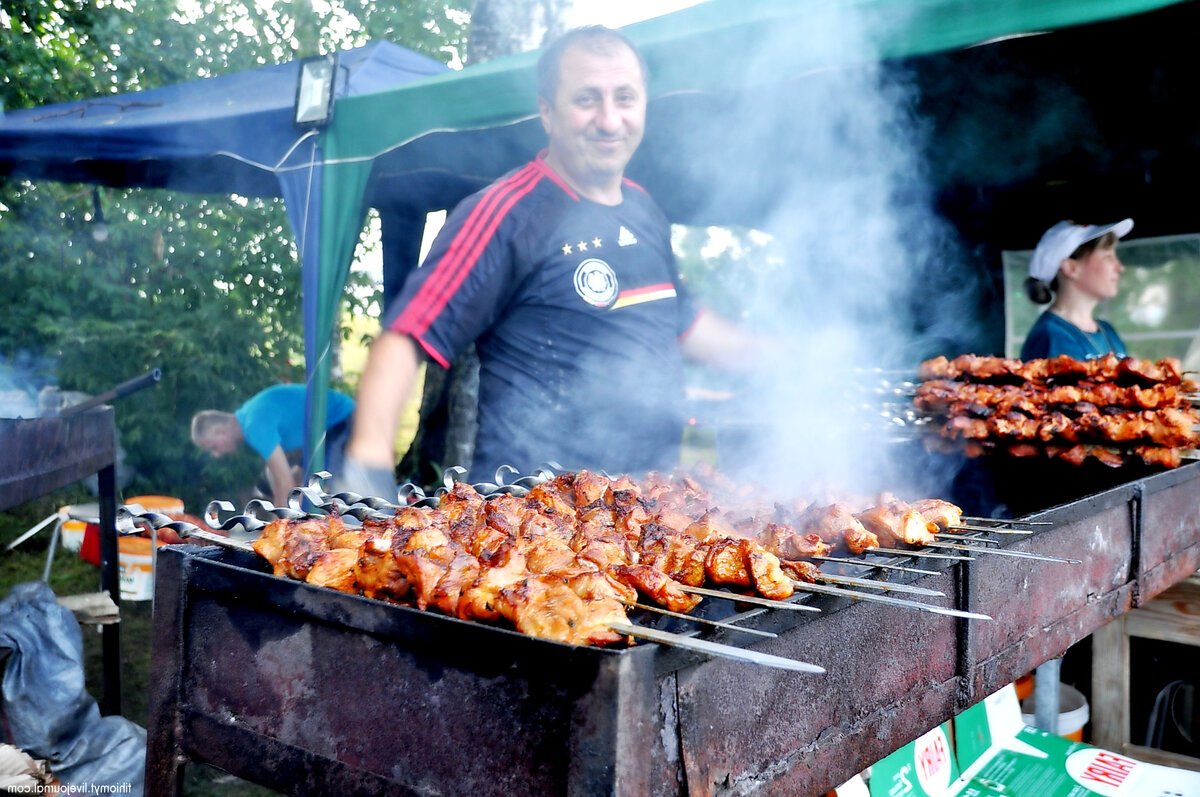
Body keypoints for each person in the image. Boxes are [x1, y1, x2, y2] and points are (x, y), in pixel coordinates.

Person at [341, 26, 760, 499]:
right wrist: (369, 472)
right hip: (533, 521)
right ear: (547, 111)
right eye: (587, 99)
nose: (609, 119)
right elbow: (405, 339)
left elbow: (686, 324)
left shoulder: (645, 211)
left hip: (649, 513)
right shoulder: (505, 213)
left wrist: (790, 364)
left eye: (625, 98)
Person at [192, 384, 355, 506]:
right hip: (325, 432)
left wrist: (276, 525)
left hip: (343, 422)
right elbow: (285, 478)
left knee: (332, 497)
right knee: (298, 486)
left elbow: (285, 483)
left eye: (212, 447)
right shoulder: (248, 417)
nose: (216, 454)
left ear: (219, 431)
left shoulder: (254, 425)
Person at [1021, 219, 1133, 360]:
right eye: (1108, 256)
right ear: (1071, 268)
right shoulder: (1051, 336)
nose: (1120, 267)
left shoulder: (1107, 330)